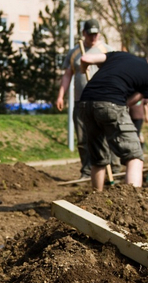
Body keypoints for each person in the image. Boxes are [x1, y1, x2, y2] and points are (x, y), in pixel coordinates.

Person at [77, 51, 148, 190]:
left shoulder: (120, 55)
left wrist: (84, 69)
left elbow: (85, 58)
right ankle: (132, 203)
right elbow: (131, 101)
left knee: (98, 158)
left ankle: (96, 198)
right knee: (135, 156)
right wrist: (114, 110)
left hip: (85, 103)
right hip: (111, 101)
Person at [55, 19, 116, 179]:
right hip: (81, 102)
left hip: (103, 101)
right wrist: (61, 95)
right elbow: (68, 74)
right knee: (83, 139)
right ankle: (87, 171)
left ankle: (112, 170)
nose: (93, 37)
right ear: (84, 33)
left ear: (99, 33)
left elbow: (115, 74)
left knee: (106, 137)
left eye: (96, 34)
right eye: (90, 34)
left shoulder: (107, 50)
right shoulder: (75, 52)